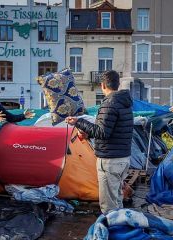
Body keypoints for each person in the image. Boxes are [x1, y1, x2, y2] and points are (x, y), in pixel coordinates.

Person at [65, 70, 133, 214]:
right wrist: (86, 130)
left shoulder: (109, 103)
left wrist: (79, 122)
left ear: (102, 85)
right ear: (118, 84)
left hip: (110, 160)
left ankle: (113, 231)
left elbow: (102, 133)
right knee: (117, 199)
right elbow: (111, 129)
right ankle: (120, 227)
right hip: (122, 157)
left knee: (109, 206)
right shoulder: (124, 103)